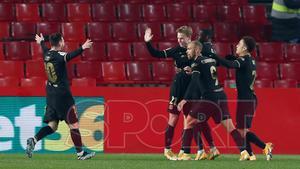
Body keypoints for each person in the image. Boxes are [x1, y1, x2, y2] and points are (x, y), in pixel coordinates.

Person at [144, 26, 218, 160]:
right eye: (178, 38)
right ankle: (167, 150)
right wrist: (147, 42)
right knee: (174, 118)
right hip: (178, 87)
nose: (179, 41)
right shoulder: (176, 50)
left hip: (191, 89)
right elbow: (156, 54)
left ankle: (188, 151)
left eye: (182, 38)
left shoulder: (196, 50)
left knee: (190, 120)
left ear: (189, 38)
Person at [26, 33, 95, 160]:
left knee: (52, 126)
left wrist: (41, 42)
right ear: (60, 43)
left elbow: (44, 48)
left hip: (50, 94)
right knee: (73, 125)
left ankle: (34, 140)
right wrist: (83, 47)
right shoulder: (59, 56)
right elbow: (69, 56)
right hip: (62, 96)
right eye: (63, 40)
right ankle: (80, 154)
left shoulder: (47, 54)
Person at [177, 41, 250, 161]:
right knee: (230, 126)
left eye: (189, 49)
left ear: (196, 50)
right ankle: (244, 152)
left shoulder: (197, 62)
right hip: (221, 95)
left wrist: (185, 99)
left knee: (189, 121)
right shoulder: (210, 60)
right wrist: (194, 72)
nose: (187, 51)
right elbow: (207, 74)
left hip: (209, 98)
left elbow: (194, 82)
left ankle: (185, 153)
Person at [210, 36, 274, 160]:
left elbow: (230, 65)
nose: (237, 46)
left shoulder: (243, 60)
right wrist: (233, 58)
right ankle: (250, 155)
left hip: (246, 100)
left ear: (245, 48)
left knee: (241, 131)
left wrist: (215, 56)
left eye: (239, 44)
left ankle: (264, 146)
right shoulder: (251, 60)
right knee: (242, 130)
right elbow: (242, 65)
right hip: (249, 98)